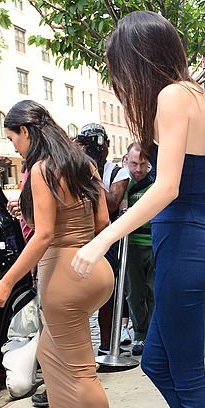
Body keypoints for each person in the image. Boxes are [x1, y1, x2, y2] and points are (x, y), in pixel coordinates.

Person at [71, 11, 205, 408]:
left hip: (183, 244)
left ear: (139, 59)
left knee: (185, 374)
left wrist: (101, 240)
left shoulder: (169, 98)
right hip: (194, 240)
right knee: (157, 363)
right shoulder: (199, 96)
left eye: (120, 66)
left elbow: (165, 188)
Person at [0, 100, 124, 408]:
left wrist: (6, 281)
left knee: (78, 370)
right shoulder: (84, 165)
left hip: (62, 275)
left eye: (14, 139)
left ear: (27, 132)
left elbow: (44, 235)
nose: (15, 149)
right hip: (96, 268)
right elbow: (102, 222)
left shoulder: (41, 170)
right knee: (49, 354)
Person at [78, 123, 132, 355]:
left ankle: (107, 347)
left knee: (108, 295)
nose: (96, 149)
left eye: (99, 143)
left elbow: (111, 203)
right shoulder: (74, 169)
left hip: (107, 240)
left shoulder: (117, 172)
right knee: (78, 296)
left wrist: (93, 172)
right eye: (90, 144)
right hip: (81, 237)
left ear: (108, 145)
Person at [121, 143, 156, 356]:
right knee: (134, 293)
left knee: (154, 291)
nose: (138, 169)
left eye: (143, 164)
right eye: (134, 163)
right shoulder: (123, 182)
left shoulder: (157, 182)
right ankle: (140, 334)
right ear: (126, 160)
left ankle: (152, 334)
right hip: (131, 245)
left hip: (154, 243)